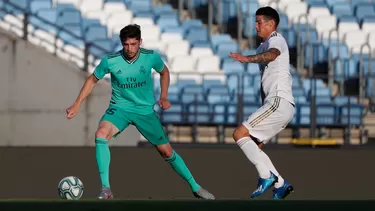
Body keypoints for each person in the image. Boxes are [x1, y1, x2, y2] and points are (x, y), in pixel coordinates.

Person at [66, 24, 215, 200]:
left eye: (134, 44)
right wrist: (77, 104)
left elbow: (164, 72)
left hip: (144, 111)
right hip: (120, 108)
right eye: (126, 44)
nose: (130, 48)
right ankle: (106, 189)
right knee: (100, 134)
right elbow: (92, 80)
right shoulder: (110, 60)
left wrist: (164, 96)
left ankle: (195, 187)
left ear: (140, 42)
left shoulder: (150, 57)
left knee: (166, 152)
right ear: (122, 43)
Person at [229, 6, 295, 199]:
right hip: (276, 104)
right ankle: (281, 184)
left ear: (271, 24)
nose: (255, 26)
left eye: (259, 22)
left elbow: (272, 55)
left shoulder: (276, 40)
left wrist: (245, 58)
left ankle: (266, 176)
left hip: (279, 101)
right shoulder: (261, 46)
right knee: (253, 144)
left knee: (239, 133)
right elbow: (263, 82)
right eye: (255, 22)